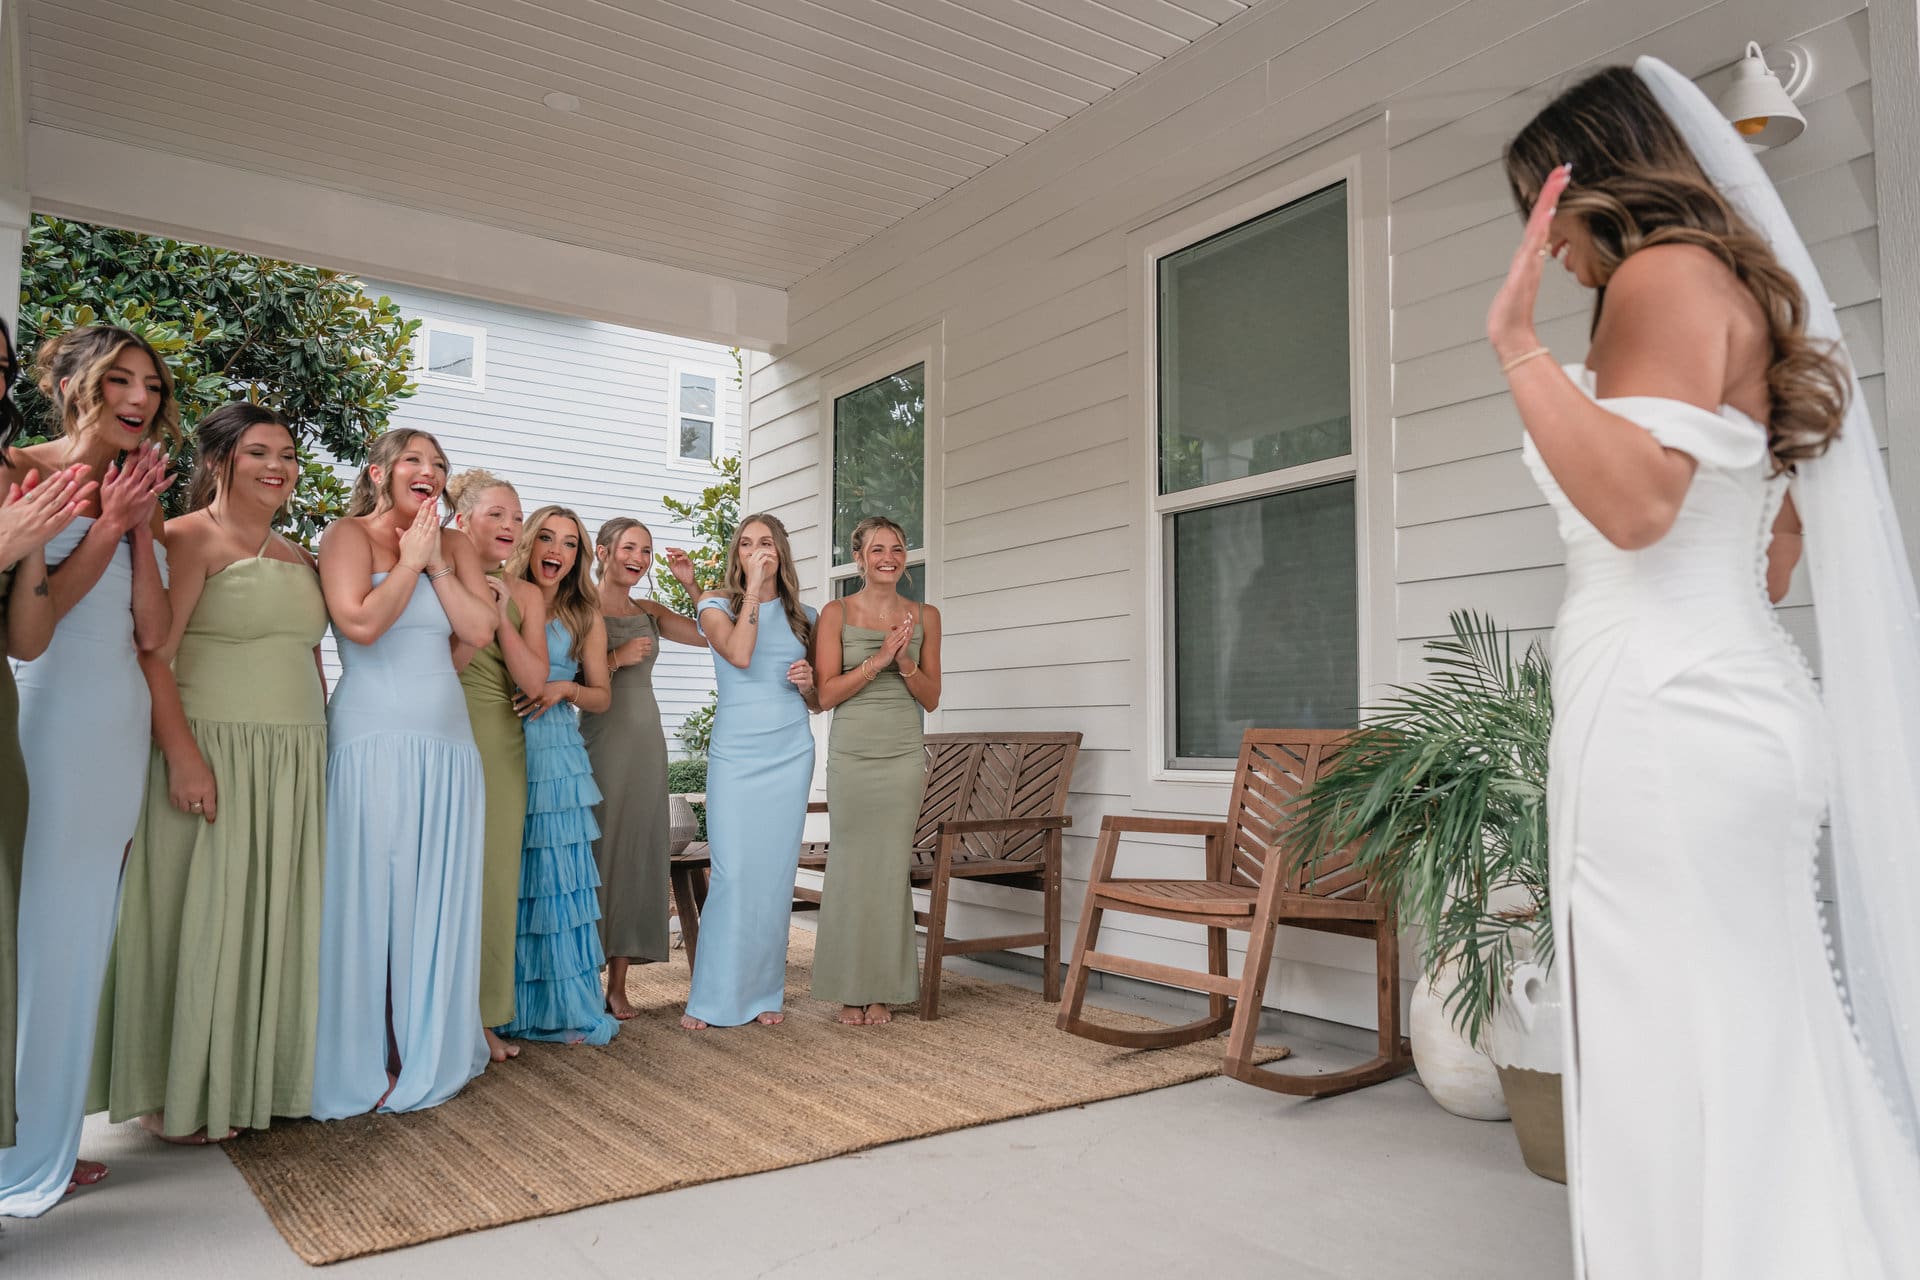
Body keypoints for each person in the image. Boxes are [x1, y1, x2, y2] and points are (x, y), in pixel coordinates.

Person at [1494, 62, 1920, 1278]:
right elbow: (1767, 554)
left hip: (1663, 715)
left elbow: (1636, 509)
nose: (1549, 249)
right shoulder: (1726, 293)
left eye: (1542, 213)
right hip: (1723, 692)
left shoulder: (1658, 276)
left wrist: (1517, 348)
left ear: (1591, 187)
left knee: (1673, 1043)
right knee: (1750, 1029)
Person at [89, 403, 328, 1142]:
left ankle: (253, 1080)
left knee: (268, 918)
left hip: (293, 759)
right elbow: (153, 654)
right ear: (220, 459)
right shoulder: (188, 537)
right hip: (214, 748)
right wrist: (183, 755)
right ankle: (174, 1093)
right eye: (259, 451)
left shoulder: (299, 556)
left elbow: (310, 657)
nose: (277, 467)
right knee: (197, 916)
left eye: (287, 454)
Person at [0, 325, 174, 1216]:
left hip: (118, 722)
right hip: (49, 719)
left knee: (80, 940)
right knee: (36, 937)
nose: (140, 398)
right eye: (120, 380)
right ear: (71, 383)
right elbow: (33, 629)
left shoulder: (139, 486)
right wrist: (105, 527)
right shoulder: (19, 470)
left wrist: (136, 530)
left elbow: (153, 634)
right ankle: (19, 1156)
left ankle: (51, 1146)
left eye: (152, 385)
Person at [311, 429, 494, 1118]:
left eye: (439, 464)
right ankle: (366, 1056)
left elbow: (478, 631)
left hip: (447, 743)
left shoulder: (455, 546)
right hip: (372, 737)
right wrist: (410, 563)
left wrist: (436, 561)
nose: (430, 471)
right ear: (379, 472)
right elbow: (359, 626)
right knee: (370, 895)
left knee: (436, 898)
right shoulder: (346, 537)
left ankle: (426, 1048)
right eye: (415, 460)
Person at [0, 317, 95, 1156]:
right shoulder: (22, 471)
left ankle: (28, 1146)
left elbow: (29, 637)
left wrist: (30, 550)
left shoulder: (14, 476)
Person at [681, 513, 818, 1030]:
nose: (756, 551)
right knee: (733, 872)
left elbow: (817, 702)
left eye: (766, 543)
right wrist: (755, 591)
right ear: (737, 555)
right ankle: (710, 997)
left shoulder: (807, 616)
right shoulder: (714, 607)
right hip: (737, 753)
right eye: (746, 544)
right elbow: (739, 654)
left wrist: (808, 683)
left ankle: (764, 993)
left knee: (774, 875)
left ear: (780, 551)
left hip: (790, 750)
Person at [809, 516, 941, 1025]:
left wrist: (904, 662)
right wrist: (879, 658)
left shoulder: (926, 615)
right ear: (859, 558)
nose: (889, 557)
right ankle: (849, 988)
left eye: (898, 549)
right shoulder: (836, 613)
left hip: (902, 754)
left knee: (889, 869)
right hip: (853, 754)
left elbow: (931, 698)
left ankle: (883, 989)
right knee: (850, 865)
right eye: (878, 549)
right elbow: (825, 695)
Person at [496, 506, 618, 1046]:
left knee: (553, 876)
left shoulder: (584, 615)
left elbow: (602, 695)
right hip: (496, 736)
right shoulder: (498, 591)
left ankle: (562, 1005)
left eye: (570, 544)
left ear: (578, 557)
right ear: (529, 543)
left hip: (555, 752)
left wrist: (564, 689)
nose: (557, 551)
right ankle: (498, 1005)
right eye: (547, 538)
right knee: (506, 873)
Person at [582, 517, 704, 1019]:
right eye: (630, 547)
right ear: (603, 551)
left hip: (647, 745)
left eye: (647, 551)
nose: (639, 558)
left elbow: (710, 635)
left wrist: (691, 585)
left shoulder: (650, 612)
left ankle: (618, 986)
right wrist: (616, 657)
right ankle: (579, 978)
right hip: (597, 742)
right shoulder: (578, 607)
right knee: (594, 852)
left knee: (634, 853)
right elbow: (563, 675)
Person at [446, 469, 548, 1063]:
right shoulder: (435, 576)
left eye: (517, 516)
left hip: (502, 744)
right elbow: (437, 665)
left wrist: (502, 615)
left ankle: (483, 1017)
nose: (511, 525)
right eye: (497, 515)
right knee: (441, 878)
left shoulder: (527, 595)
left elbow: (534, 681)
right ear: (463, 521)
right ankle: (432, 1016)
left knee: (494, 880)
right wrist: (474, 612)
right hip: (441, 727)